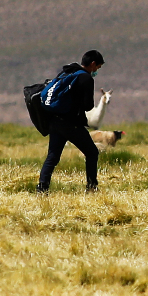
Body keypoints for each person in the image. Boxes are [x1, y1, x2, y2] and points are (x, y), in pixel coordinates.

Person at [37, 50, 104, 194]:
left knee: (53, 156)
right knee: (92, 152)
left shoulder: (66, 73)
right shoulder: (86, 78)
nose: (96, 71)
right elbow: (88, 106)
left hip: (55, 121)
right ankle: (91, 188)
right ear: (92, 64)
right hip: (71, 124)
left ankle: (42, 188)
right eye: (97, 68)